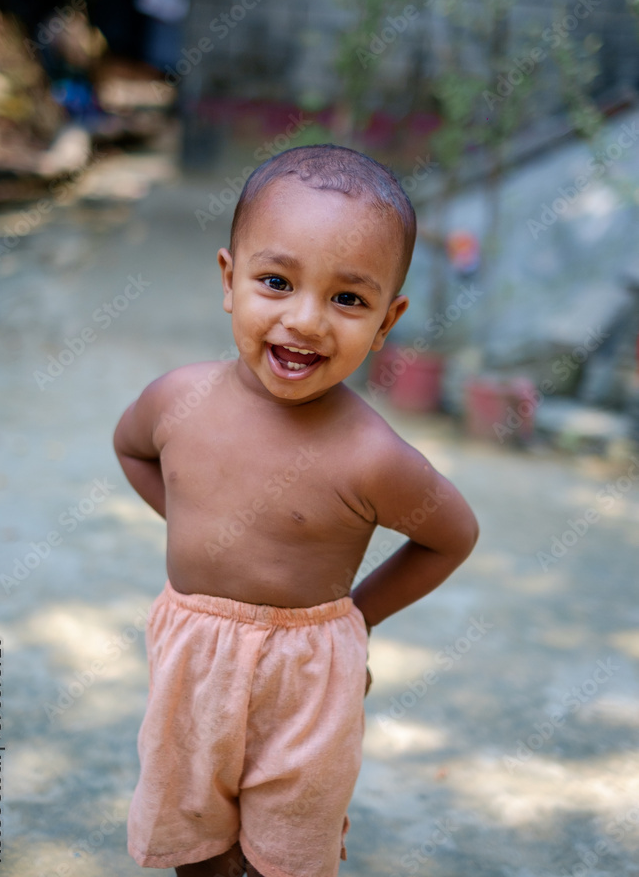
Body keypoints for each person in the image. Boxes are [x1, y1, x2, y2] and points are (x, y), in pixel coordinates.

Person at [113, 144, 479, 877]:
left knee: (288, 847)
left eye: (348, 298)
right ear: (229, 279)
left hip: (309, 675)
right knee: (193, 827)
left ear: (386, 319)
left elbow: (451, 536)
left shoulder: (370, 456)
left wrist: (357, 618)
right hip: (192, 653)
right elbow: (131, 450)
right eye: (276, 282)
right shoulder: (176, 401)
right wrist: (193, 525)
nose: (305, 321)